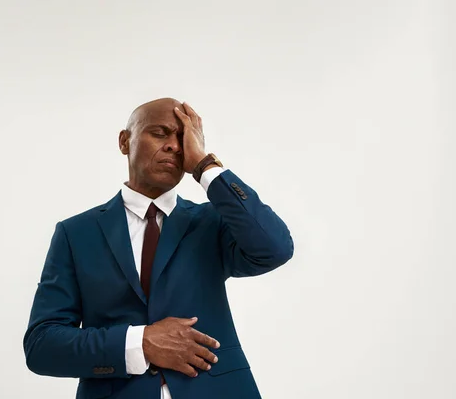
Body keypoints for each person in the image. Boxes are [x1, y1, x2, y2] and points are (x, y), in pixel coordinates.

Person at [23, 98, 294, 398]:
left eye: (183, 138)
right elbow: (42, 345)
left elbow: (275, 248)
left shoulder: (211, 221)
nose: (175, 146)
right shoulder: (76, 233)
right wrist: (140, 343)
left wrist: (204, 165)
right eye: (161, 133)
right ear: (125, 141)